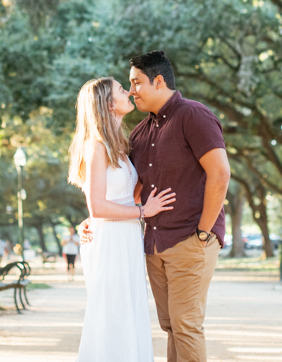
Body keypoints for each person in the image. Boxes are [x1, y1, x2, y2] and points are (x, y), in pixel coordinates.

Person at [82, 50, 230, 362]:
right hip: (153, 244)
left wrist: (204, 233)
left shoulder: (194, 115)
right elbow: (124, 188)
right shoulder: (139, 132)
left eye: (135, 83)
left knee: (186, 325)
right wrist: (92, 218)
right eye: (127, 86)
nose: (131, 90)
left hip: (190, 238)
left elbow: (220, 173)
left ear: (158, 81)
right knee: (171, 326)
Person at [68, 77, 176, 362]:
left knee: (130, 311)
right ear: (108, 104)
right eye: (121, 89)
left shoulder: (120, 145)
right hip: (111, 241)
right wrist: (144, 211)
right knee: (111, 314)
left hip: (126, 237)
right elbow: (98, 206)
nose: (128, 92)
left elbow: (121, 195)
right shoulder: (97, 146)